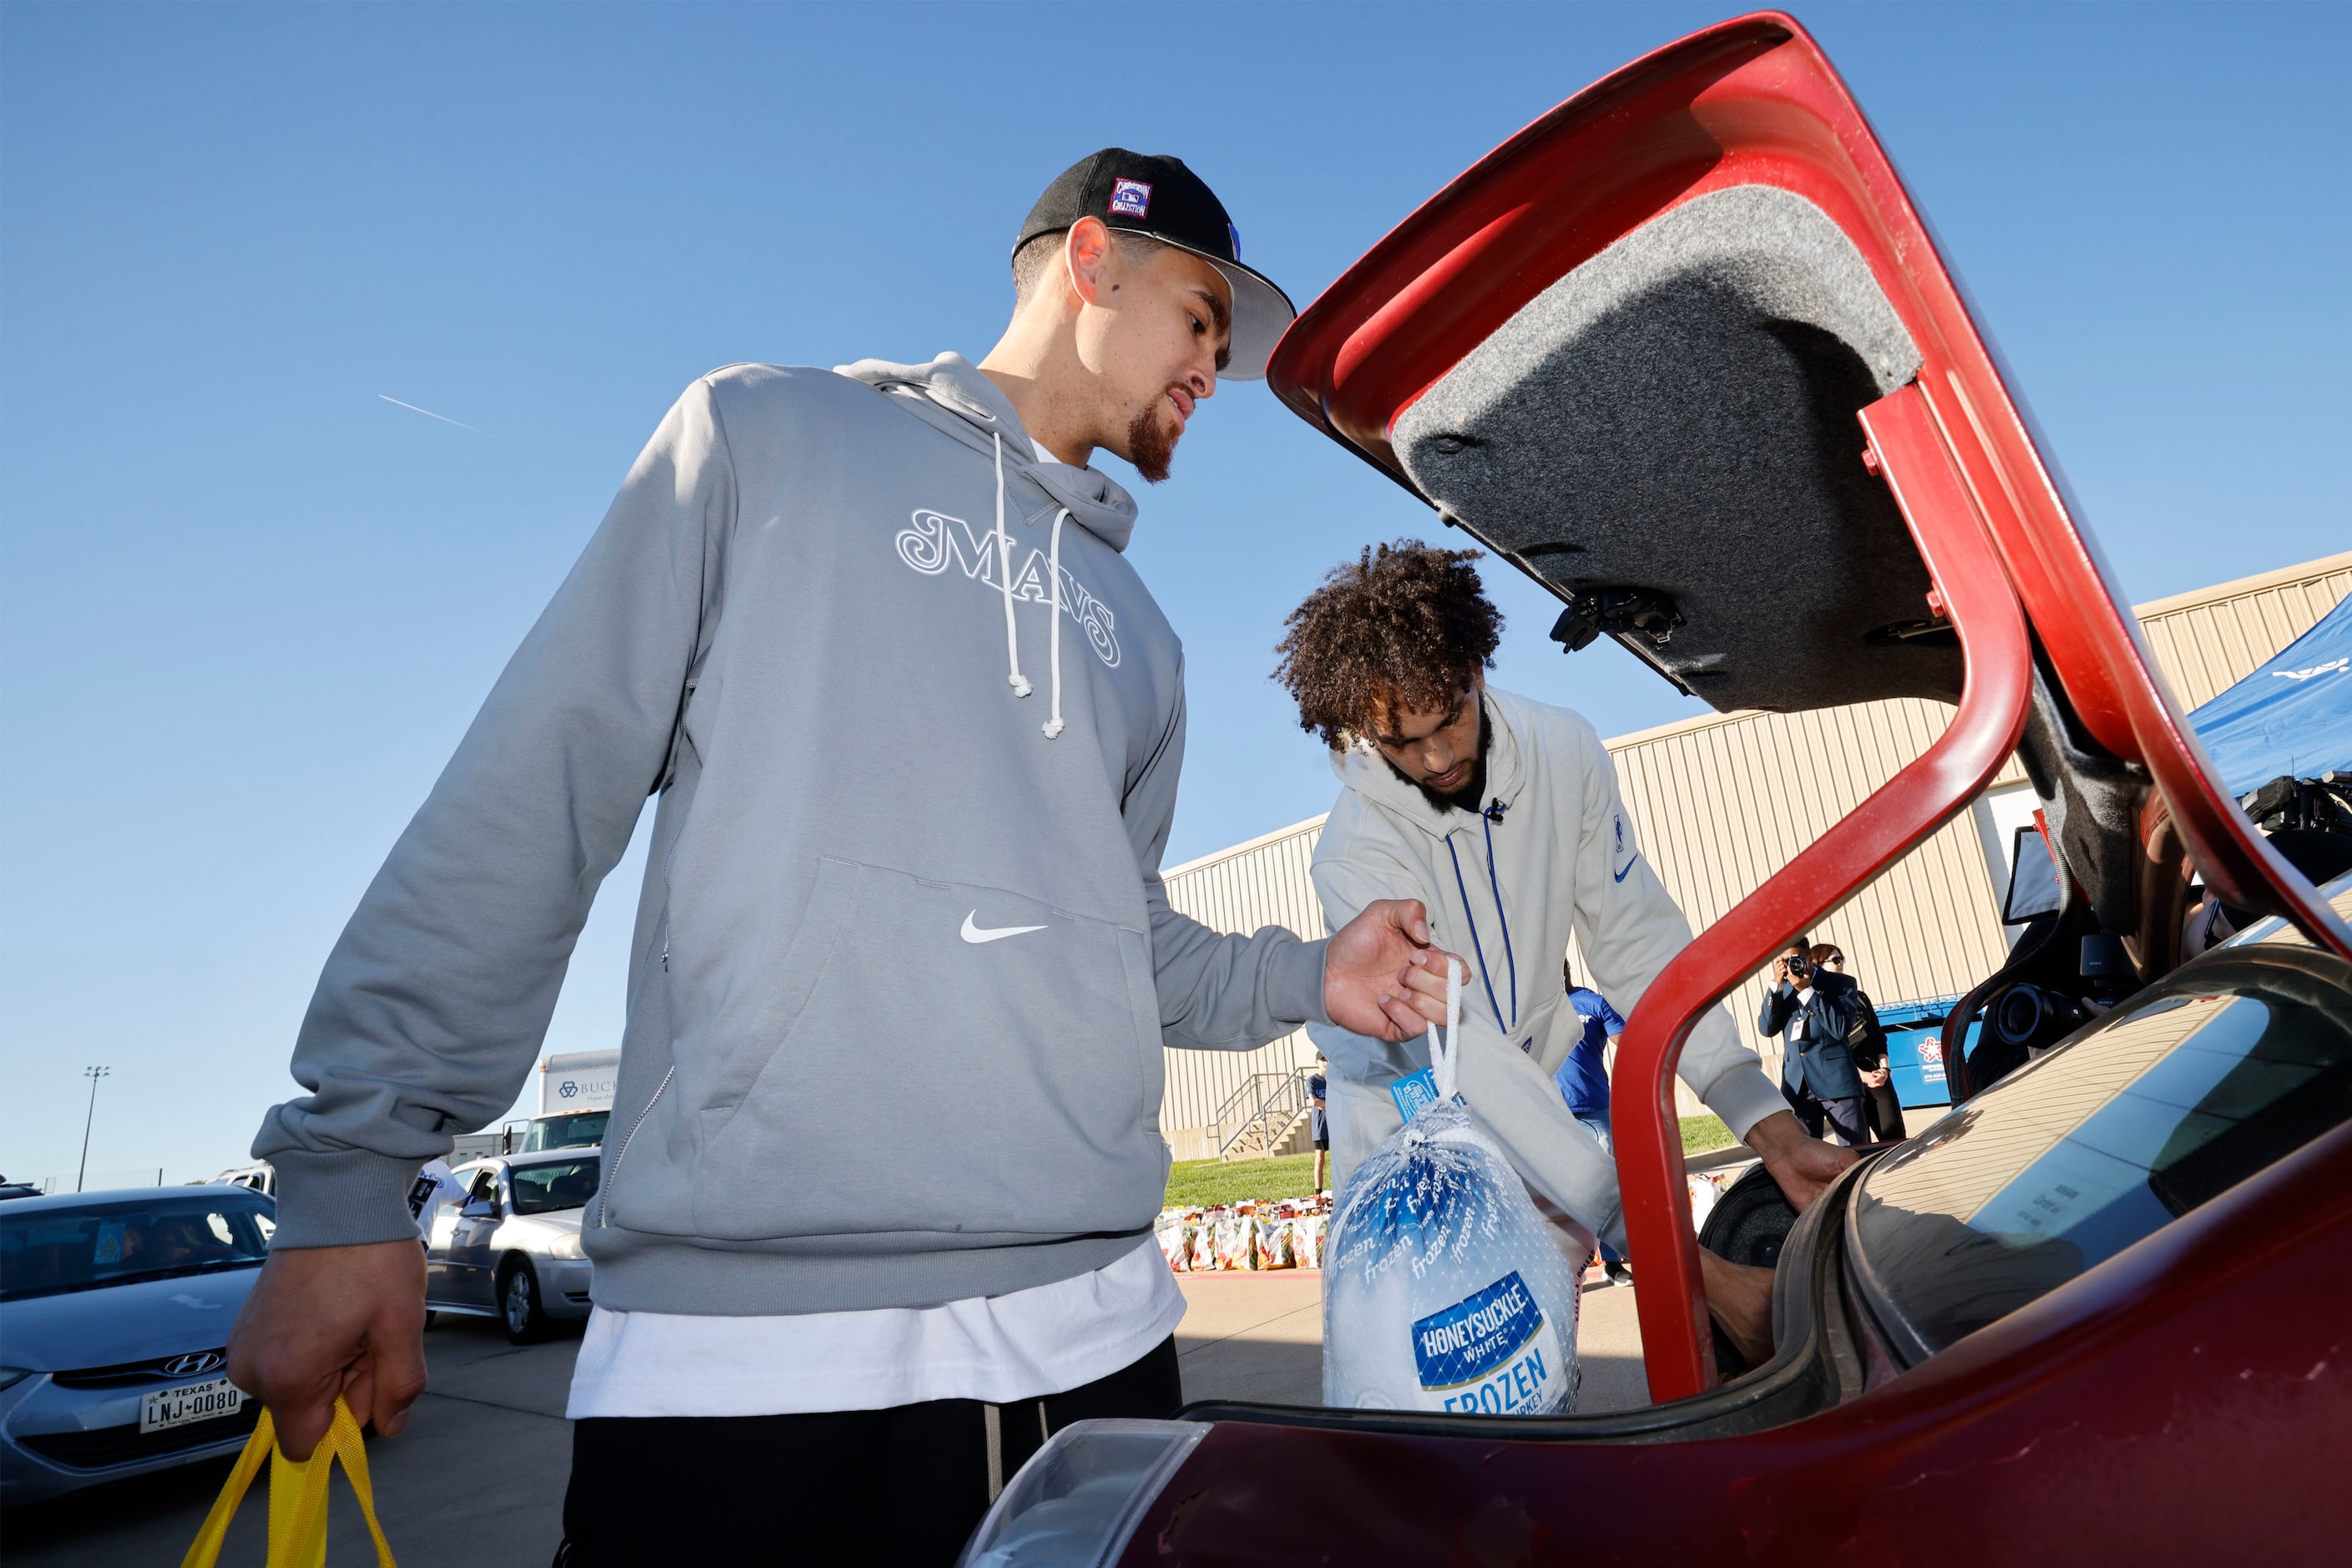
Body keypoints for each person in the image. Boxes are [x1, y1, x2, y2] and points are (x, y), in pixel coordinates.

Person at [226, 149, 1459, 1568]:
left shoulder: (1146, 635)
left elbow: (1122, 938)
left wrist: (1316, 972)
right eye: (1197, 316)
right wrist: (353, 1171)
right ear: (1086, 264)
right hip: (754, 1363)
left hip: (1104, 1344)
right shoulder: (761, 438)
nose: (1210, 367)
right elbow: (541, 782)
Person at [1274, 540, 1858, 1364]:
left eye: (1449, 720)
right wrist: (1687, 1264)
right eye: (1404, 743)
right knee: (1443, 1388)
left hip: (1536, 1104)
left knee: (1541, 1372)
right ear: (1361, 730)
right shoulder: (1354, 853)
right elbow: (1464, 1052)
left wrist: (1762, 1120)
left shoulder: (1564, 749)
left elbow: (1637, 940)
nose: (1437, 757)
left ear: (1478, 666)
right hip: (1415, 1131)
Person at [1554, 962, 1632, 1287]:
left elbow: (1629, 1043)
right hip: (1552, 1114)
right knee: (1556, 1192)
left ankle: (1613, 1264)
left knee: (1607, 1188)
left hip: (1597, 1112)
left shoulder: (1593, 1003)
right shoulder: (1534, 1014)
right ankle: (1563, 1268)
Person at [1756, 938, 1869, 1147]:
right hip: (1797, 1085)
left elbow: (1840, 1029)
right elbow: (1766, 1029)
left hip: (1837, 1082)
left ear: (1810, 958)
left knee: (1855, 1151)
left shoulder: (1841, 984)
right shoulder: (1783, 989)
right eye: (1784, 961)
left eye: (1795, 959)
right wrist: (1776, 986)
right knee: (1806, 1155)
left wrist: (1807, 991)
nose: (1791, 966)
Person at [1813, 943, 1904, 1142]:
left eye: (1842, 959)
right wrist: (1862, 1076)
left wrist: (1884, 1070)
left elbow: (1879, 1037)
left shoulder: (1859, 998)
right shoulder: (1819, 1005)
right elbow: (1828, 1049)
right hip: (1847, 1080)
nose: (1841, 964)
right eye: (1835, 960)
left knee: (1894, 1138)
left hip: (1876, 1076)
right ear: (1817, 965)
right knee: (1860, 1146)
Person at [1308, 1053, 1330, 1194]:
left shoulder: (1333, 1080)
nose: (1325, 1062)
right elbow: (1314, 1101)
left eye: (1327, 1059)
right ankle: (1318, 1192)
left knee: (1338, 1159)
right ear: (1317, 1062)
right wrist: (1330, 1104)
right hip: (1320, 1125)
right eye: (1322, 1060)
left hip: (1334, 1125)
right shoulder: (1312, 1080)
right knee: (1320, 1159)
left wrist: (1326, 1104)